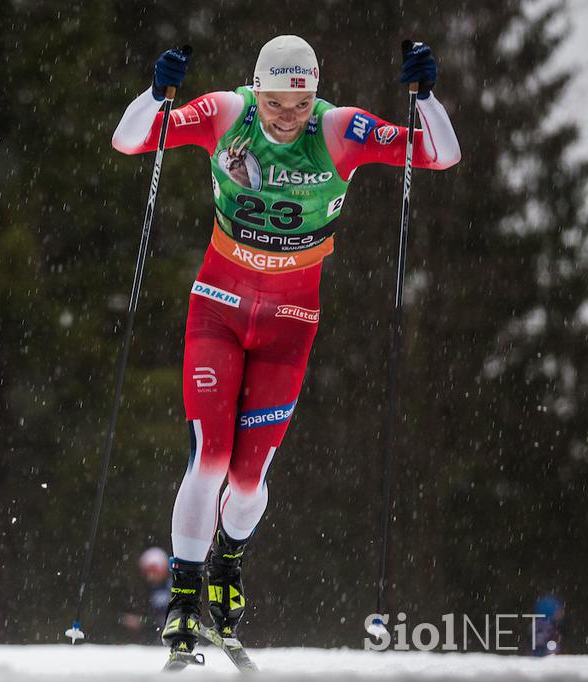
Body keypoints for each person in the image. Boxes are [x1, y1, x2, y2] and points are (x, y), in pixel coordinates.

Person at [111, 36, 460, 658]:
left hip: (290, 323)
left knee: (247, 480)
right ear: (256, 89)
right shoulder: (225, 113)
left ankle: (228, 568)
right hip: (217, 310)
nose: (284, 117)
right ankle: (186, 602)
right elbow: (132, 139)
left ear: (314, 93)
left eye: (297, 105)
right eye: (273, 102)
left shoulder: (340, 130)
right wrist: (156, 92)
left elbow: (438, 154)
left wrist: (425, 98)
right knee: (210, 458)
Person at [120, 546, 173, 644]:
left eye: (155, 571)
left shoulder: (171, 588)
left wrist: (141, 622)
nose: (151, 576)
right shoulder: (143, 590)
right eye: (148, 572)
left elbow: (163, 619)